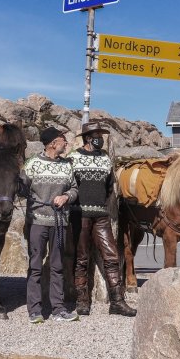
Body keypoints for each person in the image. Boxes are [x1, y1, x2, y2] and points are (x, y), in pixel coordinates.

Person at [68, 121, 137, 317]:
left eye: (101, 134)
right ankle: (82, 301)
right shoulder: (73, 158)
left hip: (101, 215)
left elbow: (109, 187)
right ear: (88, 137)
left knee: (112, 256)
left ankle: (117, 301)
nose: (100, 138)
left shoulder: (105, 159)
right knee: (81, 258)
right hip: (78, 214)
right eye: (97, 134)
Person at [21, 126, 79, 324]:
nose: (66, 143)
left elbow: (74, 189)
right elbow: (21, 188)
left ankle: (58, 309)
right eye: (63, 140)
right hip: (37, 221)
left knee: (57, 266)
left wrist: (65, 197)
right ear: (53, 143)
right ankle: (35, 310)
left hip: (60, 221)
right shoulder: (33, 164)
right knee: (35, 265)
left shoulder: (67, 165)